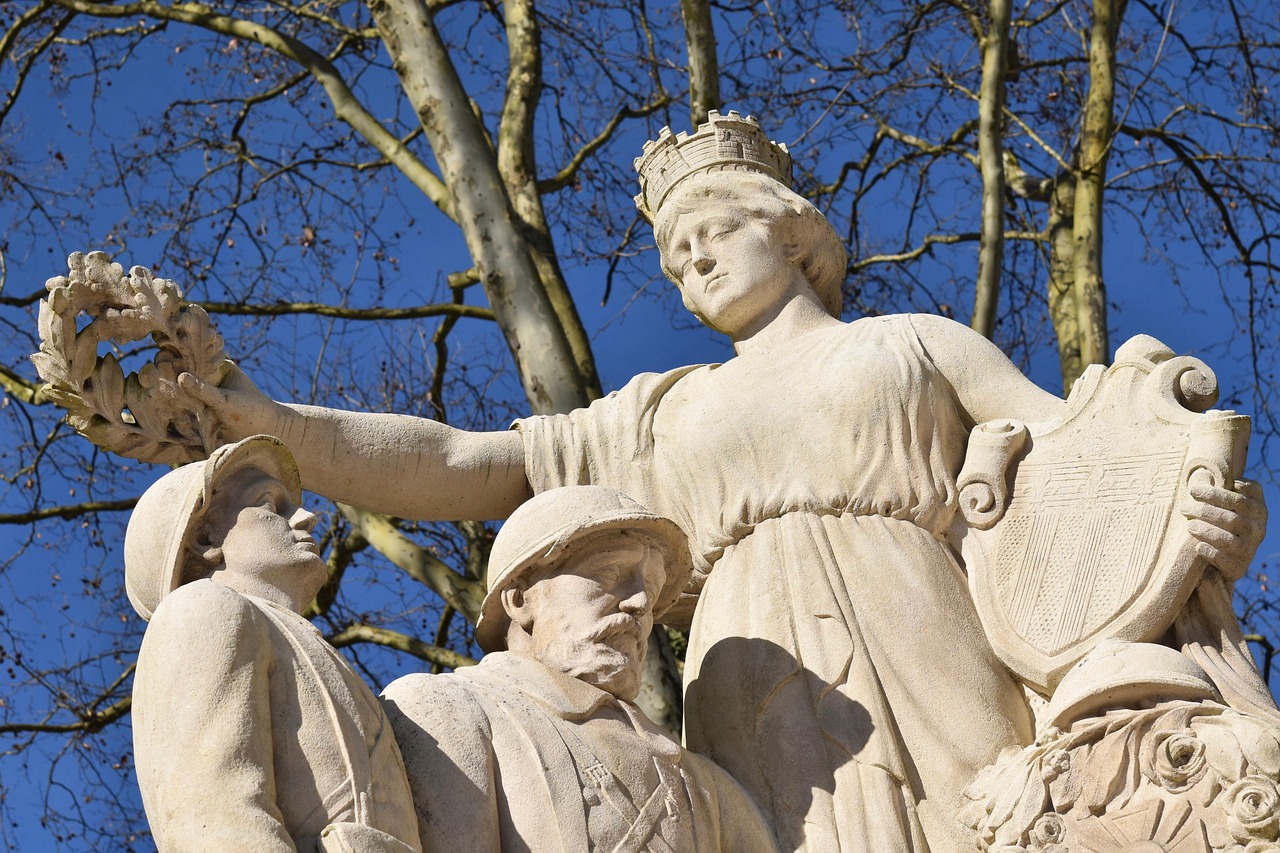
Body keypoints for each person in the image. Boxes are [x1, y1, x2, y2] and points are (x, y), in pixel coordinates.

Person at [180, 114, 1266, 851]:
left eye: (712, 233)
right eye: (673, 255)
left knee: (982, 816)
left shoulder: (910, 344)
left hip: (921, 621)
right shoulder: (661, 411)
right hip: (749, 659)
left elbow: (1084, 455)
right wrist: (277, 424)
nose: (692, 262)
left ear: (790, 232)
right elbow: (470, 462)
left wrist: (1201, 519)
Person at [381, 485, 776, 852]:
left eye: (651, 590)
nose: (640, 603)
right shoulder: (444, 708)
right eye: (608, 574)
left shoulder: (711, 790)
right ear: (520, 600)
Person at [126, 435, 422, 853]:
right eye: (269, 504)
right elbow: (218, 817)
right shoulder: (201, 609)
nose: (306, 517)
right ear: (206, 539)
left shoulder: (304, 645)